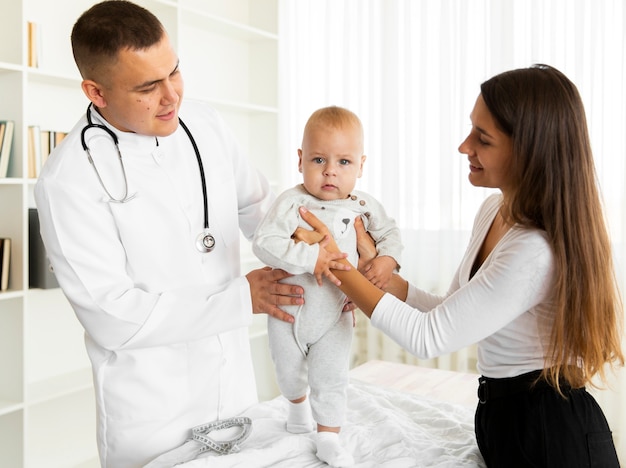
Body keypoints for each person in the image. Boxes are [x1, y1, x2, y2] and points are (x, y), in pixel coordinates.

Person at [295, 65, 624, 467]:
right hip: (502, 419)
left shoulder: (536, 249)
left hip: (551, 437)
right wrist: (380, 276)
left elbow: (428, 337)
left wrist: (334, 263)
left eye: (482, 139)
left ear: (529, 149)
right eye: (472, 130)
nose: (464, 146)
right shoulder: (494, 211)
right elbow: (448, 309)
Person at [33, 1, 315, 466]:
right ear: (95, 92)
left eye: (175, 72)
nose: (172, 97)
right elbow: (112, 316)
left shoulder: (205, 124)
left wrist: (315, 249)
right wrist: (240, 299)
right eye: (147, 86)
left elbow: (258, 208)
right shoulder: (69, 179)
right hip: (153, 417)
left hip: (236, 393)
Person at [252, 106, 402, 467]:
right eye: (319, 159)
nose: (330, 170)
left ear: (361, 165)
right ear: (301, 159)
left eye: (344, 162)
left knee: (332, 376)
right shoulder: (292, 202)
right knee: (288, 372)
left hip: (335, 311)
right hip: (289, 311)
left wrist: (386, 260)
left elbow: (390, 234)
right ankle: (297, 407)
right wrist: (309, 259)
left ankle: (329, 437)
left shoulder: (364, 206)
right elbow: (264, 242)